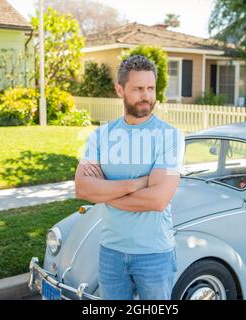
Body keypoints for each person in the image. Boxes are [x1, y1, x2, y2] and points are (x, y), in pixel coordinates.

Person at [75, 55, 185, 300]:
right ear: (119, 89)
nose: (146, 96)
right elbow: (83, 188)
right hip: (111, 252)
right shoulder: (101, 136)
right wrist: (136, 184)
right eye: (137, 89)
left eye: (150, 88)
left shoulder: (170, 137)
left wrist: (104, 192)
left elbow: (157, 200)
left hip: (154, 254)